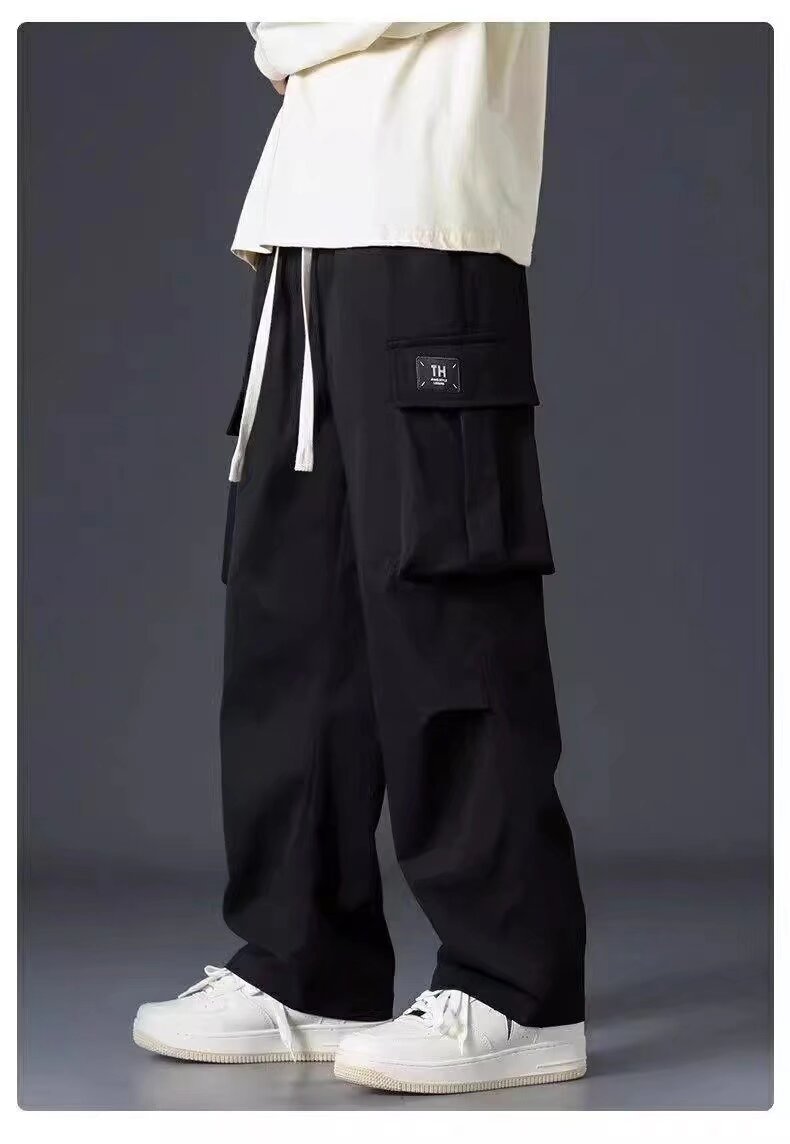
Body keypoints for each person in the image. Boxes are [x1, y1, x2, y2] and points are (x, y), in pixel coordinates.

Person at [133, 21, 587, 1095]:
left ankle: (517, 987)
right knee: (296, 606)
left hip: (428, 216)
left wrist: (292, 29)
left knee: (444, 595)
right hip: (301, 224)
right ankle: (305, 965)